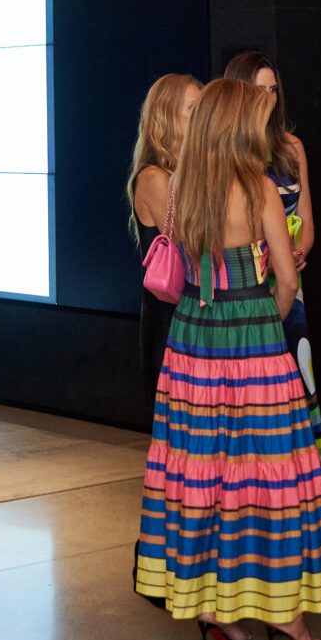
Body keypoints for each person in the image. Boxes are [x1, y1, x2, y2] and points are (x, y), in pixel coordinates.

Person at [134, 77, 321, 640]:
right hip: (252, 339)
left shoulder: (184, 187)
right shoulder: (259, 189)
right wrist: (263, 320)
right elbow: (289, 280)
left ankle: (210, 606)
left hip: (193, 339)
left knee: (203, 475)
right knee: (270, 476)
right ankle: (284, 616)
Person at [223, 48, 321, 567]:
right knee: (254, 421)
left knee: (304, 411)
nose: (267, 99)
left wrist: (293, 254)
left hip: (291, 296)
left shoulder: (291, 147)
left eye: (274, 89)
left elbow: (309, 223)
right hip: (246, 298)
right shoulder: (225, 153)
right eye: (258, 90)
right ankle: (261, 541)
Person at [128, 72, 201, 409]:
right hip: (171, 319)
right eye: (193, 108)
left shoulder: (189, 171)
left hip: (192, 312)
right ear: (168, 116)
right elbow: (190, 241)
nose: (202, 116)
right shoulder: (154, 177)